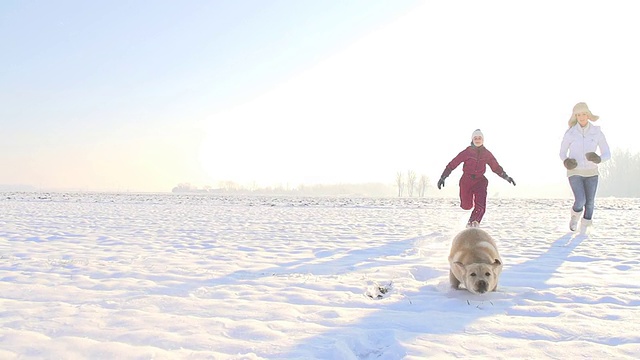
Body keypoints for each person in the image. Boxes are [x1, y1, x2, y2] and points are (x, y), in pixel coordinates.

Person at [437, 129, 516, 227]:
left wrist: (506, 177)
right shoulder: (466, 152)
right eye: (475, 138)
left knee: (481, 206)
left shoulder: (487, 153)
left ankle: (473, 223)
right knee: (466, 206)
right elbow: (452, 164)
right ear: (472, 139)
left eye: (479, 138)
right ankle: (472, 217)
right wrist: (443, 177)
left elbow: (495, 167)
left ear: (483, 140)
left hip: (480, 181)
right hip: (466, 180)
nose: (477, 140)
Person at [559, 102, 610, 232]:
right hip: (574, 171)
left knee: (590, 203)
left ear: (588, 115)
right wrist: (566, 161)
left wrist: (599, 159)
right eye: (578, 114)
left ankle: (585, 228)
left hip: (592, 172)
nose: (581, 117)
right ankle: (574, 218)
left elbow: (607, 153)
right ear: (575, 116)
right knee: (580, 199)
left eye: (583, 114)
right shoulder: (570, 133)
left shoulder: (596, 132)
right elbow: (562, 152)